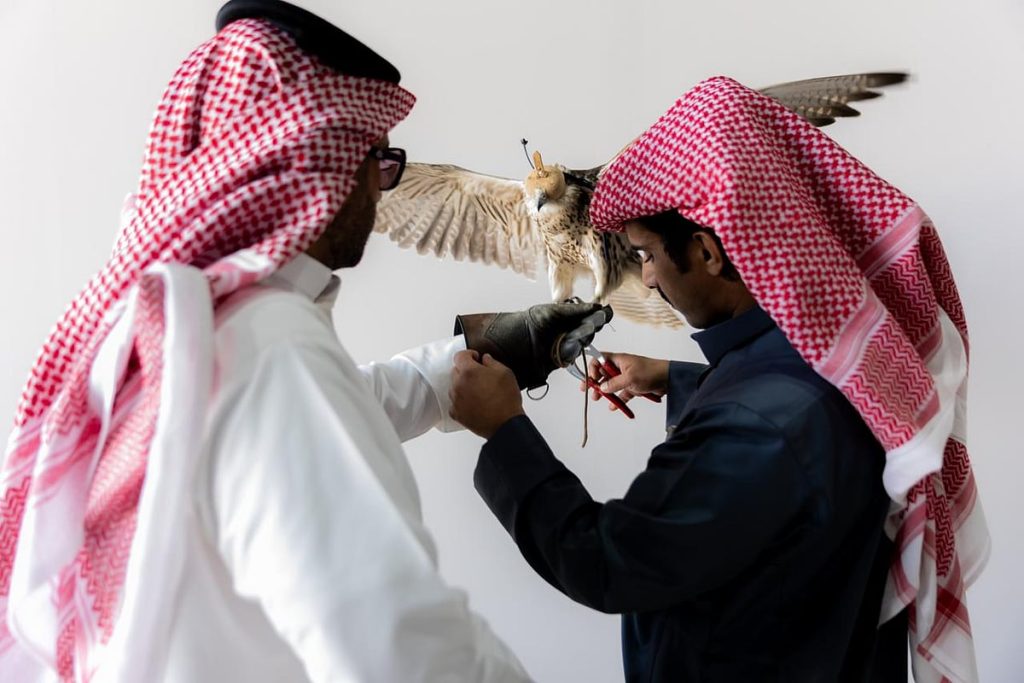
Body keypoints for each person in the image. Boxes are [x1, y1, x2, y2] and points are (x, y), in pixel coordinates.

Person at [0, 2, 608, 681]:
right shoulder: (273, 352)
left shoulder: (182, 324)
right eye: (378, 160)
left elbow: (326, 410)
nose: (379, 190)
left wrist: (462, 359)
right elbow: (402, 651)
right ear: (316, 161)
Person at [450, 76, 989, 682]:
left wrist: (505, 433)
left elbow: (607, 562)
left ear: (707, 251)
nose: (646, 279)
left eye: (646, 254)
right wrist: (682, 381)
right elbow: (798, 439)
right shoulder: (856, 358)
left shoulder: (757, 425)